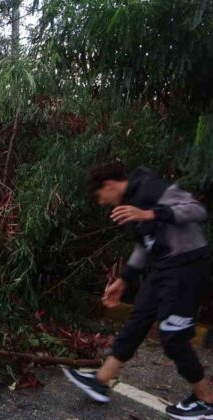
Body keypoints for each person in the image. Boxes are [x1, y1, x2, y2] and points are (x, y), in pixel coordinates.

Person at [63, 163, 211, 419]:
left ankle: (206, 400)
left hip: (187, 266)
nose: (103, 203)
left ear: (108, 186)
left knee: (173, 337)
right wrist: (124, 280)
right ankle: (101, 381)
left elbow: (197, 210)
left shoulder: (149, 187)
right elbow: (144, 246)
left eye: (101, 197)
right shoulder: (130, 205)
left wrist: (149, 214)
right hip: (162, 268)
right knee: (136, 322)